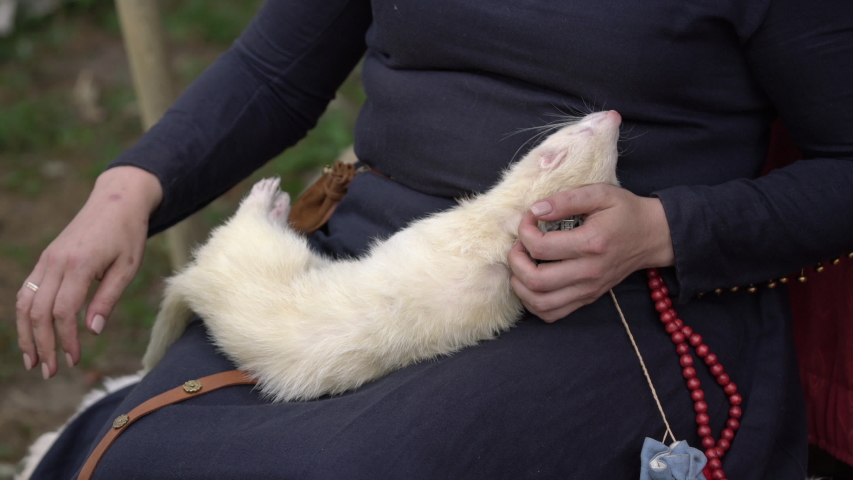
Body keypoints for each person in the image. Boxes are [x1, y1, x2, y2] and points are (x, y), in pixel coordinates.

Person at [16, 0, 853, 478]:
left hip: (605, 299)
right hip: (371, 260)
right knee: (143, 460)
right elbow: (276, 69)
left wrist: (664, 229)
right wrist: (128, 191)